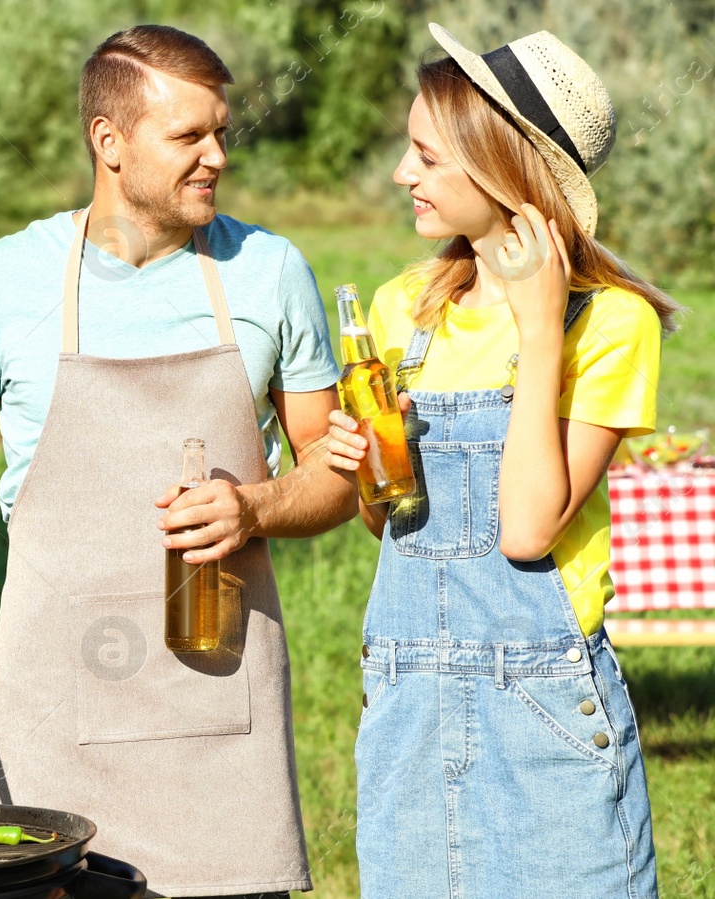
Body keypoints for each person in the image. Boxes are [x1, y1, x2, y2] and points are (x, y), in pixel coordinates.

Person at [0, 25, 358, 898]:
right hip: (50, 717)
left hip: (220, 719)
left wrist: (257, 507)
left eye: (220, 131)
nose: (217, 156)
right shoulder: (9, 277)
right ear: (109, 143)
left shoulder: (269, 272)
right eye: (189, 136)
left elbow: (332, 471)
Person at [323, 24, 678, 897]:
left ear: (501, 166)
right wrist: (366, 467)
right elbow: (393, 525)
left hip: (544, 714)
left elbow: (525, 531)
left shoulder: (609, 322)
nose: (404, 175)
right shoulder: (404, 308)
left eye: (427, 157)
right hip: (408, 707)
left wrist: (535, 327)